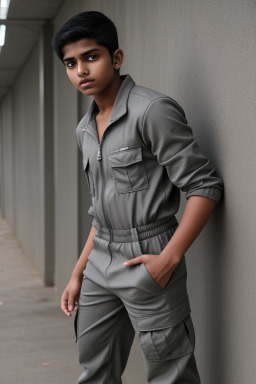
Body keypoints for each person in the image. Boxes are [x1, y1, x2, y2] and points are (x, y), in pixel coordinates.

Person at [52, 10, 224, 384]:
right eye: (71, 63)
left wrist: (169, 258)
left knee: (170, 372)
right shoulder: (84, 129)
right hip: (100, 261)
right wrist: (78, 272)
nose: (80, 70)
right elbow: (101, 214)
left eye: (91, 56)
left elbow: (204, 186)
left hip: (149, 255)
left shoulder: (152, 111)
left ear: (116, 58)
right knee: (94, 369)